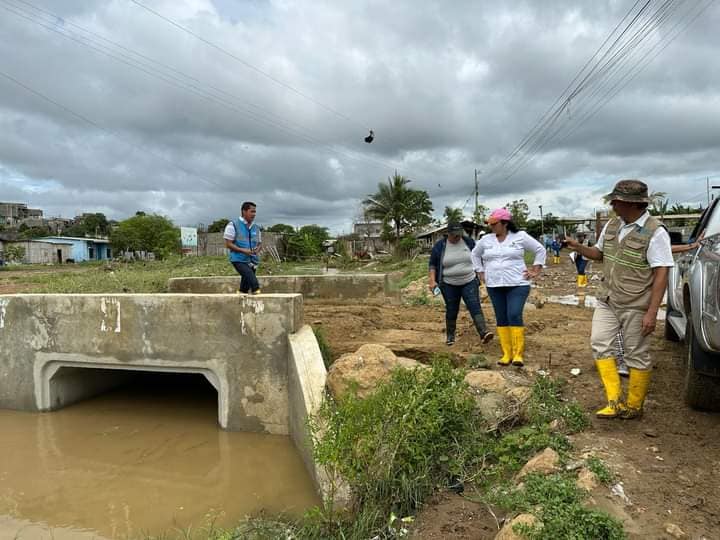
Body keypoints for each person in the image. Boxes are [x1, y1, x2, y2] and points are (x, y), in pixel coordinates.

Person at [565, 179, 673, 420]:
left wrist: (652, 312)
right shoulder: (613, 225)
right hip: (607, 298)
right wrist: (578, 247)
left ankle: (634, 406)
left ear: (632, 204)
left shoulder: (655, 232)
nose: (612, 205)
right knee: (599, 343)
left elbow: (661, 273)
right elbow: (598, 254)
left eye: (616, 201)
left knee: (636, 353)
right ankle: (614, 402)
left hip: (636, 303)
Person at [471, 208, 546, 366]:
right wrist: (479, 270)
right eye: (490, 224)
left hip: (518, 283)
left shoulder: (520, 236)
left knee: (514, 314)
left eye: (494, 224)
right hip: (494, 284)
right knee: (501, 317)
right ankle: (507, 353)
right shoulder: (486, 240)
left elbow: (539, 249)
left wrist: (536, 269)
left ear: (505, 223)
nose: (491, 226)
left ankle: (518, 354)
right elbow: (475, 254)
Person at [428, 222, 493, 346]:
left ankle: (483, 332)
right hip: (448, 284)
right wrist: (432, 280)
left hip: (469, 280)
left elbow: (478, 257)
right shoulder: (440, 246)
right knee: (452, 309)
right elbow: (432, 265)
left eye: (459, 234)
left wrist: (482, 272)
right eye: (454, 235)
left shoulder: (468, 242)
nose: (457, 237)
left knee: (474, 305)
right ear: (448, 234)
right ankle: (450, 336)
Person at [224, 201, 262, 294]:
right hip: (238, 259)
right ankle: (257, 292)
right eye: (252, 211)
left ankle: (241, 293)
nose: (254, 214)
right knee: (253, 282)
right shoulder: (233, 225)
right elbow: (228, 244)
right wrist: (243, 251)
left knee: (245, 287)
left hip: (253, 260)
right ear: (244, 211)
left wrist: (257, 249)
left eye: (255, 212)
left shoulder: (256, 228)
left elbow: (259, 243)